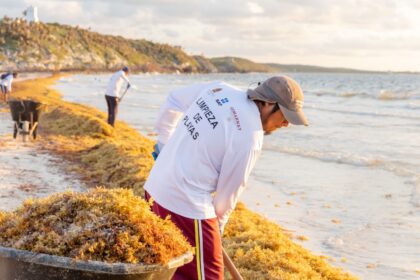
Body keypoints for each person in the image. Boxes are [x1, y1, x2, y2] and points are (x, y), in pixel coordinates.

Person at [144, 75, 308, 280]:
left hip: (154, 188)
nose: (286, 124)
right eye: (285, 116)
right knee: (208, 276)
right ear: (268, 103)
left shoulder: (219, 89)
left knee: (168, 267)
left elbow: (173, 100)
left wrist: (163, 145)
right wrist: (214, 234)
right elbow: (226, 199)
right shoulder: (250, 137)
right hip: (186, 205)